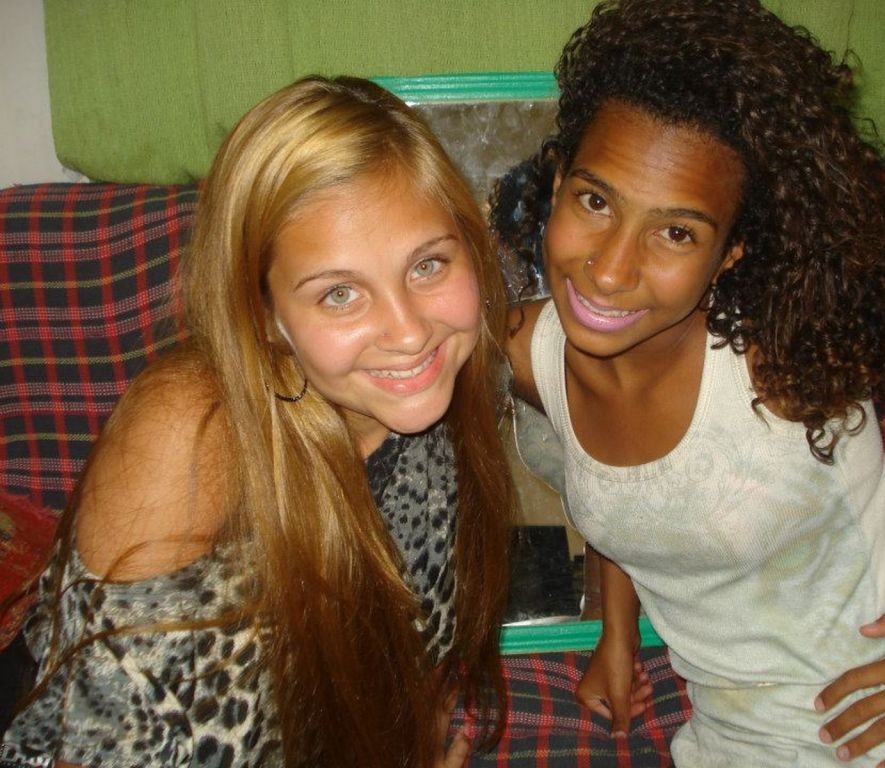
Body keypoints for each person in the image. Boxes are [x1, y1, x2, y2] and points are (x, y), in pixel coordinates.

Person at [494, 1, 885, 765]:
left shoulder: (795, 339)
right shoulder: (529, 353)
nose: (609, 269)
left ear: (734, 250)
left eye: (676, 232)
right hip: (728, 742)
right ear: (557, 188)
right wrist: (616, 633)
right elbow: (625, 485)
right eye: (596, 200)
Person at [3, 75, 517, 767]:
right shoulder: (194, 427)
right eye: (339, 294)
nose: (409, 331)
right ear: (265, 315)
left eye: (428, 264)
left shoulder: (445, 378)